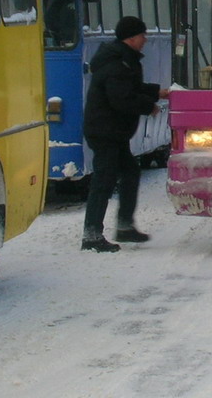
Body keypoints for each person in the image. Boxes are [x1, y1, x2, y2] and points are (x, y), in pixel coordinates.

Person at [81, 16, 170, 252]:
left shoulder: (122, 59)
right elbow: (121, 98)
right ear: (130, 38)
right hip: (105, 131)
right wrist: (147, 106)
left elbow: (130, 87)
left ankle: (124, 226)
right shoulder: (116, 62)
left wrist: (157, 92)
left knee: (130, 172)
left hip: (113, 131)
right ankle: (91, 235)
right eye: (142, 35)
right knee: (103, 181)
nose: (145, 39)